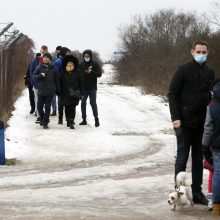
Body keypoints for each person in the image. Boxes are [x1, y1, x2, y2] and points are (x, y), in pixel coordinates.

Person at [168, 41, 215, 205]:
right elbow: (172, 93)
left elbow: (212, 95)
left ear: (207, 53)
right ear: (192, 52)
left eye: (204, 52)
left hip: (202, 122)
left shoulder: (210, 72)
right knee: (182, 157)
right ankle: (178, 191)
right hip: (184, 121)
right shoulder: (183, 70)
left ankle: (196, 192)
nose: (201, 54)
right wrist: (175, 117)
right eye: (199, 51)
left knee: (197, 158)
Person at [202, 79, 220, 215]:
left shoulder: (211, 107)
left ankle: (215, 206)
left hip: (217, 147)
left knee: (217, 175)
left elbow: (208, 129)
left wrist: (205, 147)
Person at [33, 53, 60, 129]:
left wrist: (58, 89)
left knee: (47, 107)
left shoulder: (53, 68)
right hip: (41, 90)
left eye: (47, 57)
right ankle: (43, 119)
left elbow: (57, 80)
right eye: (44, 57)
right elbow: (34, 76)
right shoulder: (39, 66)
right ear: (43, 58)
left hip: (50, 91)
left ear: (50, 59)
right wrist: (40, 76)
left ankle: (45, 123)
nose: (46, 58)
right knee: (39, 107)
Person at [59, 55, 84, 129]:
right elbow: (59, 82)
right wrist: (58, 90)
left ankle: (71, 121)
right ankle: (68, 120)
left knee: (72, 107)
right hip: (65, 93)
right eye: (68, 63)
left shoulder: (78, 72)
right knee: (67, 107)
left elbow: (81, 82)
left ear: (74, 64)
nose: (70, 64)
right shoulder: (63, 72)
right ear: (66, 64)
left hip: (74, 93)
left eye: (71, 63)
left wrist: (82, 91)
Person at [79, 49, 102, 127]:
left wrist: (91, 72)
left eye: (88, 56)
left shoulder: (95, 64)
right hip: (83, 88)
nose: (86, 57)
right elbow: (78, 75)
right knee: (82, 103)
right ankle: (84, 120)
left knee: (93, 103)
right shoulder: (81, 64)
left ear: (90, 56)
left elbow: (99, 74)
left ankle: (96, 119)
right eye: (85, 56)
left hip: (92, 87)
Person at [30, 46, 48, 123]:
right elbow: (31, 72)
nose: (43, 52)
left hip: (46, 85)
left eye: (45, 51)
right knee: (38, 100)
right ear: (41, 51)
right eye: (42, 51)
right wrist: (34, 83)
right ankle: (39, 116)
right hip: (37, 84)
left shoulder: (48, 61)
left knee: (46, 101)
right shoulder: (35, 60)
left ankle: (45, 116)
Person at [54, 47, 71, 124]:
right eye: (67, 52)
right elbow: (56, 74)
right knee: (61, 102)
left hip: (67, 84)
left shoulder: (68, 61)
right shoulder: (58, 61)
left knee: (67, 102)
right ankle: (60, 119)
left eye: (69, 52)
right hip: (60, 84)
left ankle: (67, 118)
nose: (68, 54)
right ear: (64, 52)